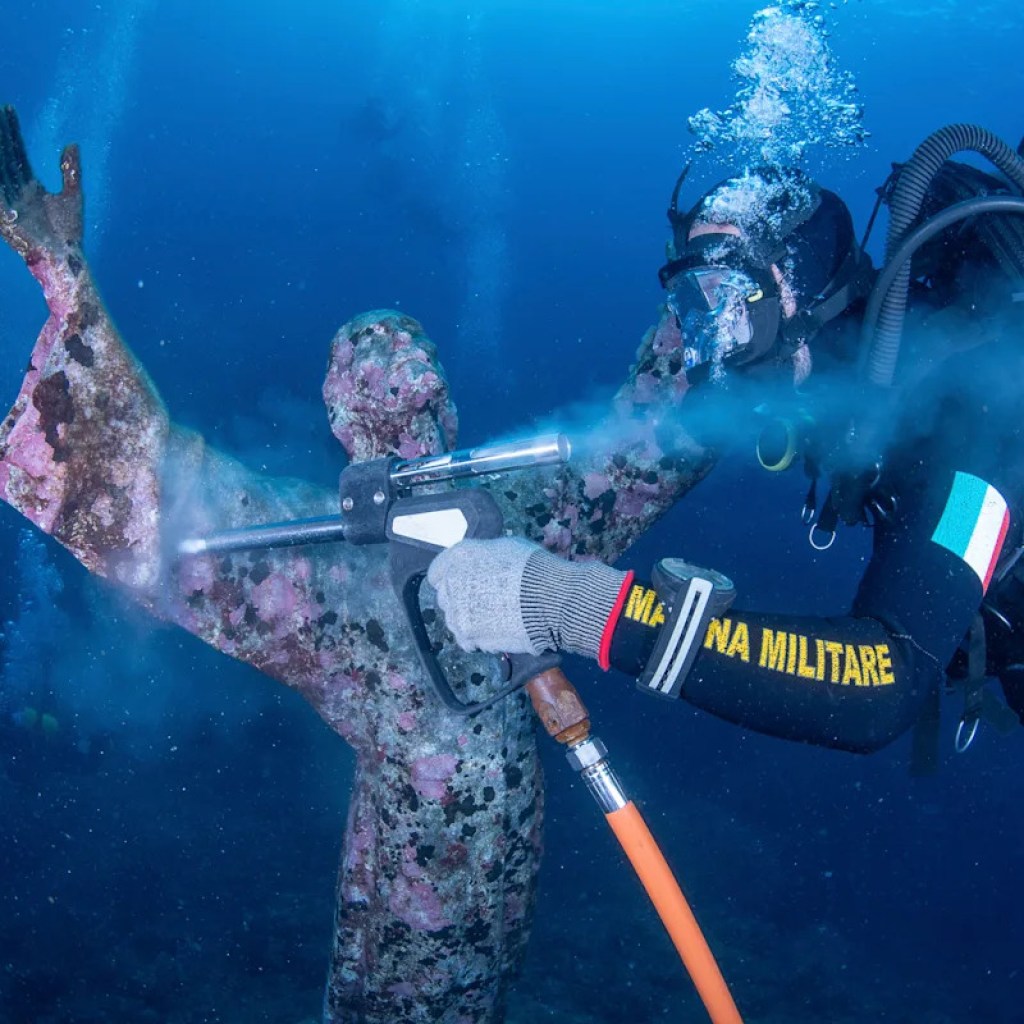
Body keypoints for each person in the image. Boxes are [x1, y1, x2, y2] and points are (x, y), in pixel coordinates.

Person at [0, 104, 717, 1024]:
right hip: (473, 861)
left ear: (341, 423)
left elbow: (151, 499)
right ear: (442, 402)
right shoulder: (513, 510)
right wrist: (707, 306)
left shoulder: (326, 561)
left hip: (427, 875)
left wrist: (65, 280)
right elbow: (655, 436)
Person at [430, 130, 1024, 760]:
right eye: (696, 307)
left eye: (736, 302)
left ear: (811, 291)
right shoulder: (855, 388)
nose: (711, 345)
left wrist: (565, 602)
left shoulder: (978, 427)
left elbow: (881, 682)